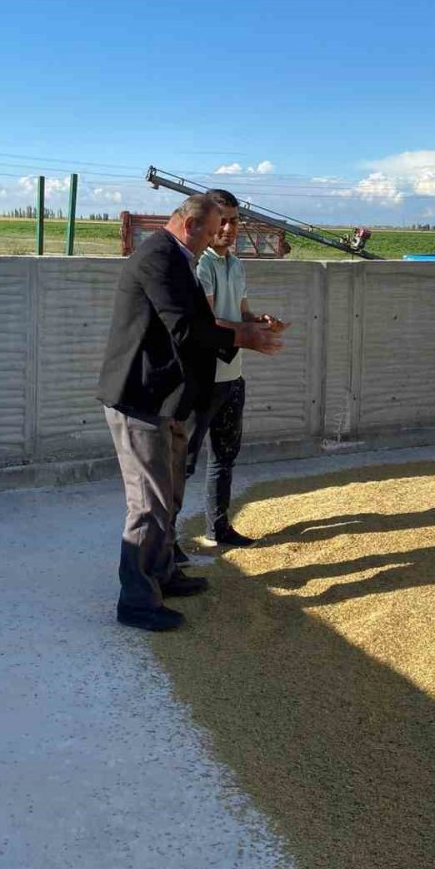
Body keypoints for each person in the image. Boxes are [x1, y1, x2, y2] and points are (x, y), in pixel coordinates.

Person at [97, 194, 283, 632]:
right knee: (148, 504)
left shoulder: (176, 257)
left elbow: (197, 323)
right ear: (190, 226)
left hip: (165, 398)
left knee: (167, 497)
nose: (221, 235)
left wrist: (245, 328)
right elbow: (184, 327)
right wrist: (243, 338)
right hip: (140, 397)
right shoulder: (159, 257)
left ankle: (163, 575)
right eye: (215, 227)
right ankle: (138, 603)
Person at [185, 190, 288, 548]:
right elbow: (211, 322)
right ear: (208, 222)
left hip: (232, 375)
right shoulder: (202, 265)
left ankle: (219, 527)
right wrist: (250, 333)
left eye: (234, 221)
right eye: (222, 220)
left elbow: (240, 315)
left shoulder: (235, 264)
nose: (228, 228)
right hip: (204, 376)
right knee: (181, 463)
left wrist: (260, 321)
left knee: (224, 457)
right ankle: (166, 541)